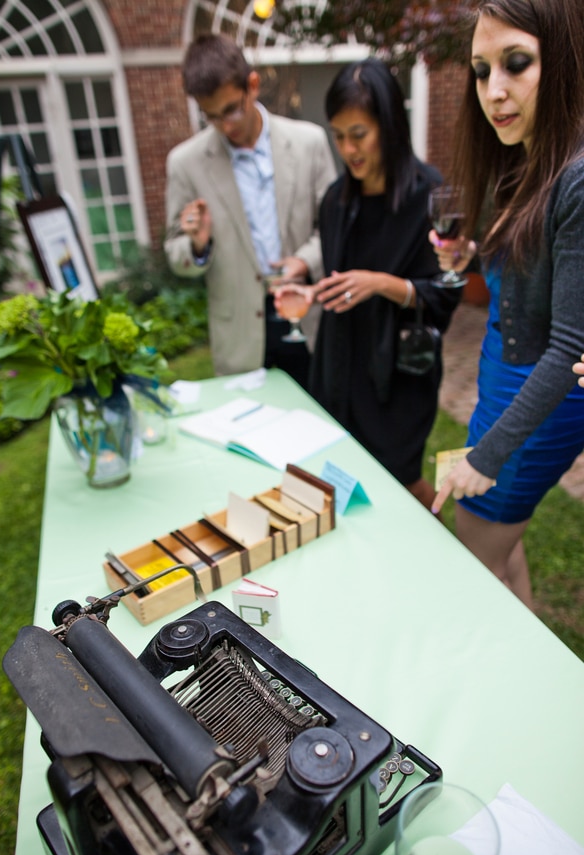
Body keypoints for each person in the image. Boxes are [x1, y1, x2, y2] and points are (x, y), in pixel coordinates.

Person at [430, 0, 584, 607]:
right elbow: (530, 285)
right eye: (480, 70)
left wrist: (488, 454)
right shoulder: (525, 156)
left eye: (515, 63)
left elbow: (570, 345)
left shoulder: (577, 178)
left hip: (541, 396)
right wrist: (470, 259)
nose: (493, 90)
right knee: (500, 554)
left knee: (477, 558)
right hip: (500, 377)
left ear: (563, 61)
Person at [277, 59, 459, 511]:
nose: (348, 149)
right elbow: (340, 283)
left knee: (405, 487)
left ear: (390, 124)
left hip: (399, 376)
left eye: (358, 134)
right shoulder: (336, 200)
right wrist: (312, 293)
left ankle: (437, 548)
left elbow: (445, 293)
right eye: (338, 136)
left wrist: (381, 283)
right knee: (343, 487)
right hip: (341, 367)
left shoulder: (428, 195)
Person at [163, 33, 336, 387]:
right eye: (212, 117)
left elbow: (334, 228)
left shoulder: (310, 142)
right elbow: (175, 252)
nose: (226, 126)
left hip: (307, 320)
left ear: (252, 85)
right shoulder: (185, 163)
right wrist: (198, 245)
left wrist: (304, 261)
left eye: (231, 109)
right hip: (240, 336)